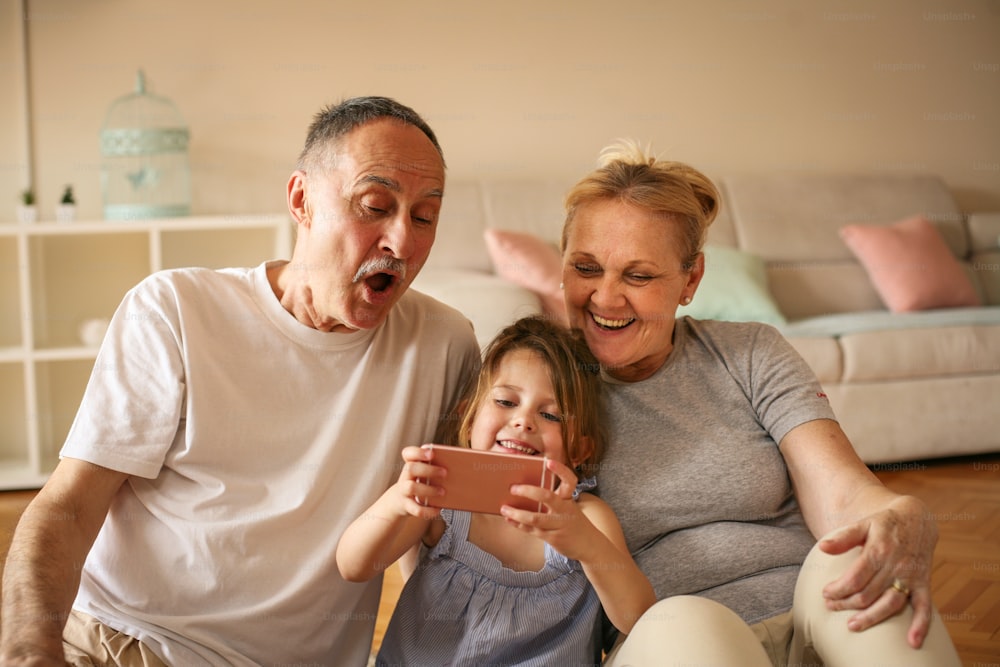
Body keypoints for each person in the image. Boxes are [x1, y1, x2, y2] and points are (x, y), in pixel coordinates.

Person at [0, 97, 480, 666]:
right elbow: (68, 509)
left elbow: (435, 541)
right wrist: (30, 652)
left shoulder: (445, 346)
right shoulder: (176, 309)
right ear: (301, 200)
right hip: (122, 641)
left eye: (424, 217)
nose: (401, 243)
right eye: (375, 206)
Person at [557, 140, 963, 666]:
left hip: (811, 614)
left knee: (855, 558)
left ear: (691, 280)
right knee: (685, 617)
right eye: (586, 268)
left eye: (638, 276)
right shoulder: (536, 386)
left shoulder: (748, 351)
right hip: (670, 635)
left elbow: (839, 494)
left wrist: (899, 513)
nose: (607, 298)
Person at [336, 316, 657, 666]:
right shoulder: (445, 500)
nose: (523, 421)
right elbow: (354, 567)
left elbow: (637, 620)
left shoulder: (585, 516)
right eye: (506, 402)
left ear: (579, 451)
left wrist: (586, 544)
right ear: (469, 421)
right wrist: (397, 500)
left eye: (551, 416)